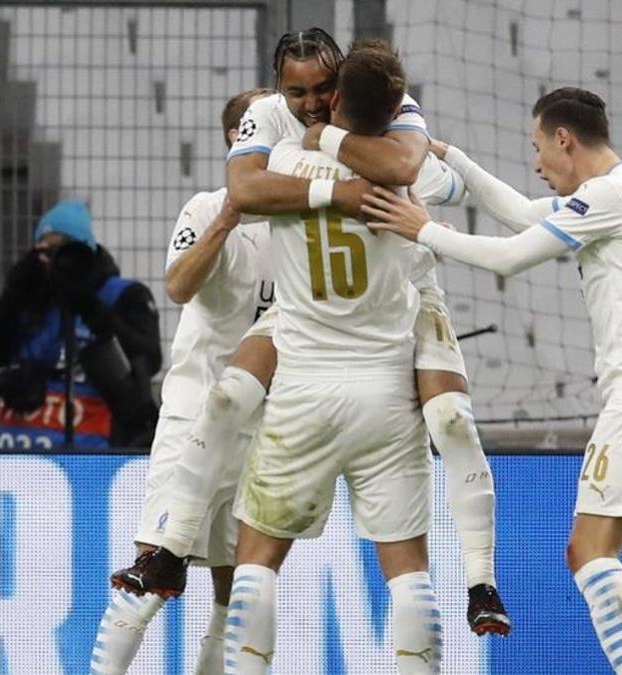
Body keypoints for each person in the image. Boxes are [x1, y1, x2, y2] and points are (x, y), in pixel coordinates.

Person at [115, 28, 509, 637]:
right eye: (297, 92)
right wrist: (337, 189)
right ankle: (166, 548)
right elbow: (244, 190)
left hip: (404, 305)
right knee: (225, 398)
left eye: (323, 88)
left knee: (454, 421)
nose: (310, 102)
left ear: (341, 75)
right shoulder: (266, 119)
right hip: (304, 314)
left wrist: (331, 140)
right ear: (279, 87)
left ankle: (481, 581)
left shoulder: (377, 105)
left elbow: (412, 166)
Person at [364, 87, 622, 674]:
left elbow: (511, 256)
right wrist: (453, 156)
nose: (536, 162)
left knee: (588, 556)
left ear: (564, 139)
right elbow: (523, 213)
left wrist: (423, 230)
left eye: (538, 146)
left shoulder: (613, 195)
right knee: (599, 558)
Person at [222, 41, 448, 674]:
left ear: (339, 95)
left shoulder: (286, 161)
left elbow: (244, 189)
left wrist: (315, 145)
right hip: (386, 391)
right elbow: (412, 166)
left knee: (257, 560)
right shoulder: (402, 173)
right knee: (408, 570)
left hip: (303, 389)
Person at [89, 89, 274, 675]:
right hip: (196, 413)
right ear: (237, 140)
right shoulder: (205, 208)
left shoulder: (302, 222)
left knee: (239, 579)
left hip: (264, 423)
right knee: (154, 560)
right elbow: (178, 286)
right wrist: (231, 215)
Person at [0, 200, 161, 448]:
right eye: (46, 252)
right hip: (21, 456)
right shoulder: (28, 298)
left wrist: (91, 309)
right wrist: (13, 295)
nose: (57, 261)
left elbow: (150, 358)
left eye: (65, 252)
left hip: (99, 453)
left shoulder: (123, 295)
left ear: (87, 254)